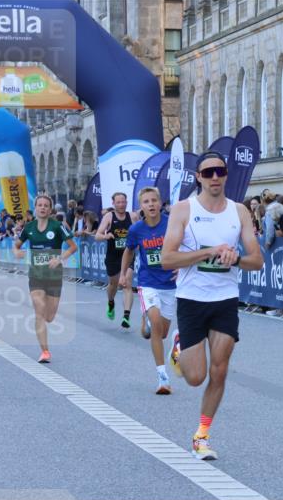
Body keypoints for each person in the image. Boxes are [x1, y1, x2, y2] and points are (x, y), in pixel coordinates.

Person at [161, 151, 264, 461]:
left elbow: (257, 261)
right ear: (199, 178)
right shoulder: (183, 210)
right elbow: (167, 259)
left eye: (220, 171)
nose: (215, 177)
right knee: (195, 378)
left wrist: (236, 259)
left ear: (226, 174)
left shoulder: (240, 212)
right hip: (192, 300)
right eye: (208, 173)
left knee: (219, 372)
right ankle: (179, 346)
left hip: (225, 300)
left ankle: (201, 436)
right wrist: (206, 254)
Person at [120, 187, 178, 394]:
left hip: (170, 285)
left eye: (154, 200)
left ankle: (150, 323)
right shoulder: (136, 229)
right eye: (146, 202)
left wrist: (181, 266)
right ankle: (163, 378)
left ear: (160, 202)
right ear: (141, 206)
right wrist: (123, 273)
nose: (151, 204)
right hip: (147, 282)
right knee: (156, 322)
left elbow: (187, 246)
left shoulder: (171, 223)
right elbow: (128, 251)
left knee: (161, 333)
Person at [12, 194, 77, 363]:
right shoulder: (29, 227)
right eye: (39, 205)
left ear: (50, 209)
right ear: (35, 208)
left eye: (45, 205)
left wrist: (60, 258)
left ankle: (46, 323)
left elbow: (73, 247)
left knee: (49, 317)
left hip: (54, 276)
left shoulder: (57, 226)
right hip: (36, 275)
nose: (42, 208)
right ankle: (45, 351)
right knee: (39, 310)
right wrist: (17, 252)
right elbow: (16, 245)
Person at [96, 192, 136, 328]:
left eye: (123, 202)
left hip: (128, 254)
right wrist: (105, 237)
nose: (121, 205)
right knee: (113, 285)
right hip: (113, 256)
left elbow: (140, 232)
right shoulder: (109, 216)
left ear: (126, 202)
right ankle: (111, 302)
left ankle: (126, 316)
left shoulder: (133, 216)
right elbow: (97, 235)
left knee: (127, 283)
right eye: (118, 202)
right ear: (113, 203)